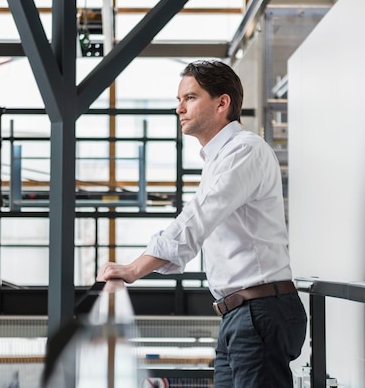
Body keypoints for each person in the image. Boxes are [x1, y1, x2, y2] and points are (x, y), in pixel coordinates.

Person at [96, 59, 307, 387]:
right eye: (178, 100)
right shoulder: (218, 159)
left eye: (190, 98)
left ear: (223, 103)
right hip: (240, 314)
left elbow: (197, 219)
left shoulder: (244, 151)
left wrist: (134, 269)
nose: (179, 108)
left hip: (259, 311)